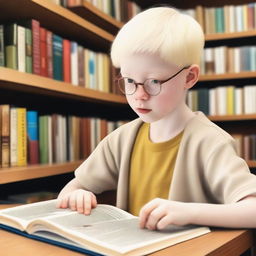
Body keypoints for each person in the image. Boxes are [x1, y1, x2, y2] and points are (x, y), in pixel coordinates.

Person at [57, 6, 256, 230]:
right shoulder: (122, 139)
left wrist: (189, 211)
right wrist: (78, 194)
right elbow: (72, 188)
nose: (139, 95)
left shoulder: (210, 142)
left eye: (154, 82)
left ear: (189, 77)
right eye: (130, 81)